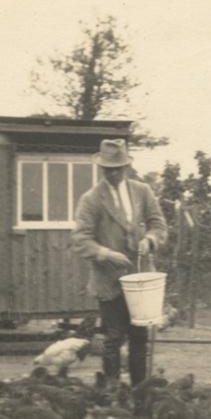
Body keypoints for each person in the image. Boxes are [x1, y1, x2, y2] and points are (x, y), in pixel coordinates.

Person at [72, 138, 168, 386]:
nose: (113, 173)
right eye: (108, 169)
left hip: (140, 280)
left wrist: (150, 238)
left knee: (139, 337)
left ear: (126, 166)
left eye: (118, 168)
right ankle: (113, 392)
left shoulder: (142, 191)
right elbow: (81, 239)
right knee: (113, 338)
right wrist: (105, 253)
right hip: (109, 281)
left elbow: (158, 224)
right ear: (101, 168)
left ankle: (138, 392)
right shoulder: (91, 199)